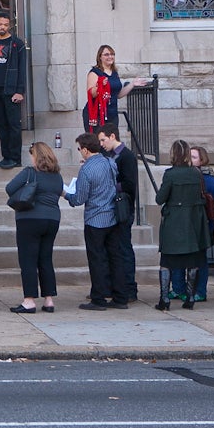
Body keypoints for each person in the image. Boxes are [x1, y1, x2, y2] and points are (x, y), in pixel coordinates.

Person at [67, 132, 126, 310]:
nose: (79, 152)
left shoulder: (86, 169)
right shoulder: (109, 162)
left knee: (97, 259)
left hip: (95, 219)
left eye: (79, 149)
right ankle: (120, 297)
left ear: (85, 150)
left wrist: (65, 194)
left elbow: (79, 198)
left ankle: (98, 297)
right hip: (112, 216)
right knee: (115, 258)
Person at [152, 139, 209, 311]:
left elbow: (160, 199)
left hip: (174, 222)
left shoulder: (170, 174)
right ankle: (190, 297)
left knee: (167, 262)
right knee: (192, 261)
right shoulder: (196, 173)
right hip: (193, 221)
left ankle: (165, 299)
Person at [7, 141, 63, 314]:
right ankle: (49, 299)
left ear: (36, 156)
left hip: (29, 219)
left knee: (28, 260)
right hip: (52, 219)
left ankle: (29, 300)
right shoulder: (57, 176)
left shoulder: (30, 173)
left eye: (32, 155)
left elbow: (9, 188)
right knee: (45, 259)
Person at [171, 145, 214, 303]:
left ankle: (199, 290)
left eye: (194, 157)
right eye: (189, 156)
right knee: (178, 256)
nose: (190, 160)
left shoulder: (210, 180)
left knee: (199, 259)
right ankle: (178, 288)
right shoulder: (180, 176)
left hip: (203, 223)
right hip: (183, 222)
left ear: (202, 160)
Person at [97, 124, 139, 301]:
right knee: (114, 249)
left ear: (112, 136)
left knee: (124, 249)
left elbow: (129, 184)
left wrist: (108, 186)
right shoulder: (109, 156)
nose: (101, 144)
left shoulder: (127, 156)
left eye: (103, 140)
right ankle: (114, 286)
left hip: (123, 208)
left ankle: (129, 288)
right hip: (112, 208)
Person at [0, 10, 26, 169]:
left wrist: (20, 91)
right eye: (0, 24)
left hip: (11, 89)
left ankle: (15, 158)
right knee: (0, 123)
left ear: (10, 26)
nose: (2, 27)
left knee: (13, 124)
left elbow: (22, 69)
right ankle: (6, 156)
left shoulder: (17, 43)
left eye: (6, 25)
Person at [84, 44, 149, 134]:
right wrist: (100, 86)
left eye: (112, 54)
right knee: (97, 144)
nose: (110, 56)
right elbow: (91, 94)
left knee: (112, 142)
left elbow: (117, 95)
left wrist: (132, 84)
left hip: (112, 114)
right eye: (106, 54)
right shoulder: (94, 73)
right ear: (100, 57)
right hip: (98, 115)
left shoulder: (114, 73)